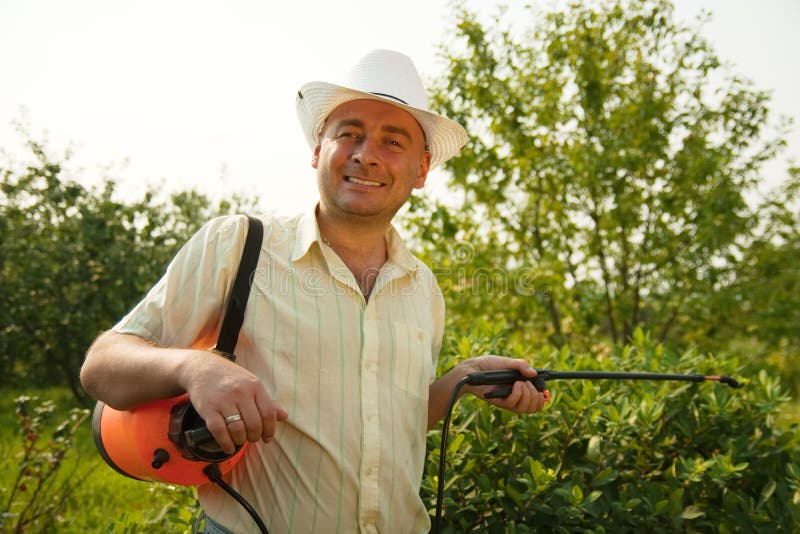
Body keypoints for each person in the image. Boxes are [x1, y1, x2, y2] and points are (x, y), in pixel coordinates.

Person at [80, 49, 546, 534]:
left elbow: (384, 423)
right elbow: (102, 368)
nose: (367, 154)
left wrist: (461, 380)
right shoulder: (240, 244)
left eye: (393, 141)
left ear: (421, 170)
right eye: (349, 133)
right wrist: (194, 366)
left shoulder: (423, 287)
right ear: (317, 149)